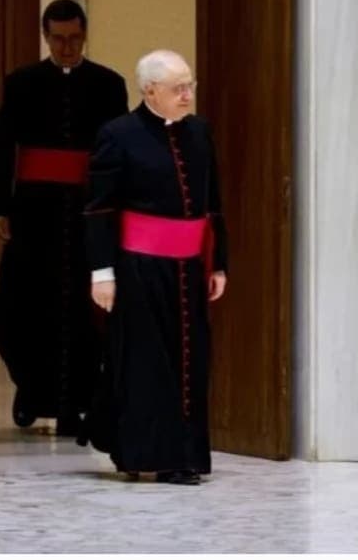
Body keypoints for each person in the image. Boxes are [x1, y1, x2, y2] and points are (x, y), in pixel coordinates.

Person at [82, 49, 228, 485]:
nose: (187, 95)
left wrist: (218, 264)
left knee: (190, 361)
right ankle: (142, 454)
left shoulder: (200, 132)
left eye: (190, 85)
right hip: (138, 269)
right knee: (148, 364)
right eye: (177, 88)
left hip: (188, 268)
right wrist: (102, 272)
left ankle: (184, 458)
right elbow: (98, 209)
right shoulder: (119, 134)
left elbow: (213, 205)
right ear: (149, 91)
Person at [0, 0, 128, 435]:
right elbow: (0, 147)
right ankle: (32, 391)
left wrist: (116, 208)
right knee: (24, 305)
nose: (67, 48)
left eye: (75, 38)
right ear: (46, 37)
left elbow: (117, 152)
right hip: (35, 213)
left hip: (87, 212)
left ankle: (79, 399)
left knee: (84, 311)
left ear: (85, 35)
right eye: (58, 39)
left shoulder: (108, 84)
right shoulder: (22, 82)